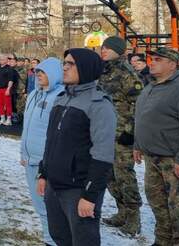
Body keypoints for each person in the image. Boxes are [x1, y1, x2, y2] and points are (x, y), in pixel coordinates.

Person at [36, 48, 115, 246]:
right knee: (60, 237)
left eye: (70, 64)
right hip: (54, 185)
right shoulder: (62, 97)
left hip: (78, 189)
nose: (64, 68)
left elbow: (103, 155)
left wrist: (90, 195)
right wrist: (43, 173)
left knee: (83, 240)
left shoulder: (99, 104)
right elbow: (51, 140)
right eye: (64, 63)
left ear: (86, 68)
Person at [133, 47, 179, 246]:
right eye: (151, 59)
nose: (151, 63)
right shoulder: (151, 86)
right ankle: (163, 241)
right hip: (152, 158)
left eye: (157, 59)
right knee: (159, 205)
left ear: (172, 64)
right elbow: (142, 118)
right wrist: (138, 144)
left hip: (176, 160)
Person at [97, 37, 143, 236]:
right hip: (104, 132)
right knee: (108, 175)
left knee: (125, 176)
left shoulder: (127, 73)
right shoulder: (104, 71)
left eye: (108, 48)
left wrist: (129, 132)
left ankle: (133, 218)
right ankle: (121, 211)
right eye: (102, 47)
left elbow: (139, 105)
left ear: (118, 50)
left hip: (121, 135)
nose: (103, 50)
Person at [20, 57, 64, 246]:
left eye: (42, 72)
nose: (37, 75)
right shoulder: (33, 95)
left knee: (49, 206)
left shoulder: (60, 97)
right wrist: (24, 153)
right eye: (36, 72)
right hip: (30, 159)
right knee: (40, 205)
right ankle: (51, 237)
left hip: (47, 162)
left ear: (54, 74)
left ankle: (53, 240)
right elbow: (27, 127)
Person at [0, 54, 15, 126]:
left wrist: (8, 89)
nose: (1, 60)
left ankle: (9, 119)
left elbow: (11, 80)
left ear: (6, 60)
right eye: (0, 59)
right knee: (0, 104)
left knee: (8, 105)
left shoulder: (10, 69)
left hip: (6, 89)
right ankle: (2, 118)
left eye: (2, 59)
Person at [8, 55, 23, 125]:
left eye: (13, 62)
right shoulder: (9, 69)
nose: (11, 63)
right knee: (12, 105)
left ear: (16, 62)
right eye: (11, 61)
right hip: (11, 90)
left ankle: (19, 118)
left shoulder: (20, 70)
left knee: (18, 106)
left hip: (19, 90)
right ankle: (13, 117)